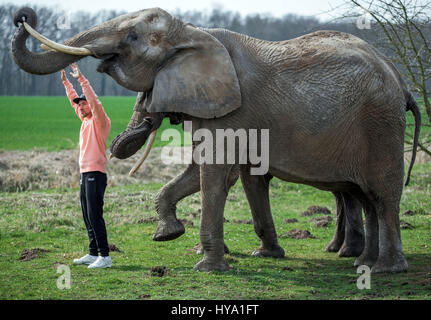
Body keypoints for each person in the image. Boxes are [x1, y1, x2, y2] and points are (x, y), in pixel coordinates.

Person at [61, 62, 112, 268]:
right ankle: (93, 253)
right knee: (86, 214)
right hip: (84, 173)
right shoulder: (84, 120)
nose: (81, 106)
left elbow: (93, 101)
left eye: (84, 104)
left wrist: (81, 79)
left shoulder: (100, 121)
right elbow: (74, 101)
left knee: (94, 215)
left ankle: (105, 256)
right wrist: (66, 83)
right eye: (79, 105)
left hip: (96, 174)